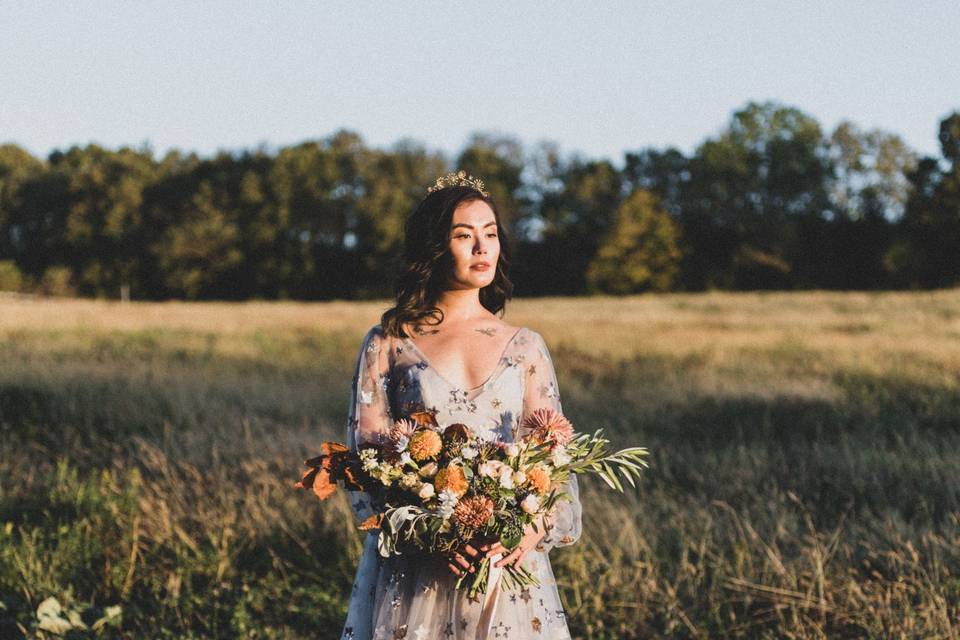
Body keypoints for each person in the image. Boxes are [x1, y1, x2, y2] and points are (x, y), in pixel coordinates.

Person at [339, 171, 582, 640]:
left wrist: (529, 531)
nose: (482, 248)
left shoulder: (526, 346)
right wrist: (434, 533)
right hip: (419, 571)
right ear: (434, 247)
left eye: (490, 235)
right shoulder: (390, 343)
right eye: (464, 236)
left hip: (506, 567)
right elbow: (364, 459)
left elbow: (554, 460)